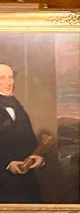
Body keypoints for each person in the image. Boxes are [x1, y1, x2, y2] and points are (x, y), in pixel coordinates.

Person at [0, 63, 44, 204]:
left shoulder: (18, 106)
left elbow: (28, 139)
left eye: (10, 78)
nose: (8, 82)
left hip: (25, 181)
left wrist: (37, 157)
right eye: (2, 78)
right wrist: (6, 165)